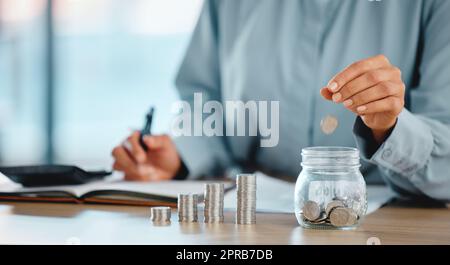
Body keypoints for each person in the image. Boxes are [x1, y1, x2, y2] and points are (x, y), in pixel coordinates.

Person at [112, 0, 450, 201]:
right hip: (248, 219)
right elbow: (200, 93)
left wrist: (389, 128)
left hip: (384, 221)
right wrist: (184, 158)